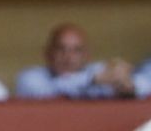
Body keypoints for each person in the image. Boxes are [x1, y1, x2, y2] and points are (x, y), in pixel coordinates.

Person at [15, 23, 143, 99]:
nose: (68, 56)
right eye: (61, 49)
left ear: (87, 55)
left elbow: (146, 84)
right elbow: (50, 90)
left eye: (76, 50)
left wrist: (127, 84)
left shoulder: (98, 71)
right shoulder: (30, 77)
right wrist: (93, 79)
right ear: (47, 53)